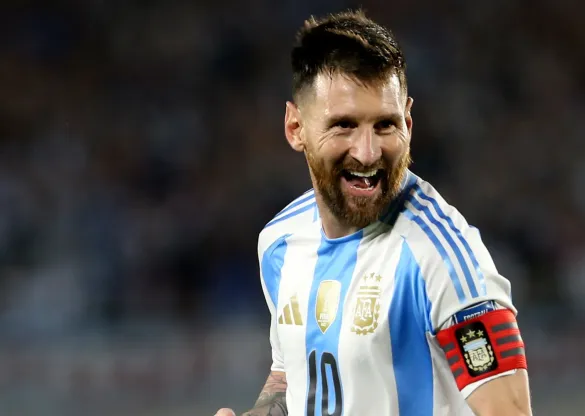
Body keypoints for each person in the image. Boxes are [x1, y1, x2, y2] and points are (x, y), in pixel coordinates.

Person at [216, 9, 532, 416]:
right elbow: (290, 376)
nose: (367, 152)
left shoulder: (441, 257)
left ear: (409, 123)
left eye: (385, 125)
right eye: (344, 125)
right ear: (296, 128)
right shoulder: (279, 243)